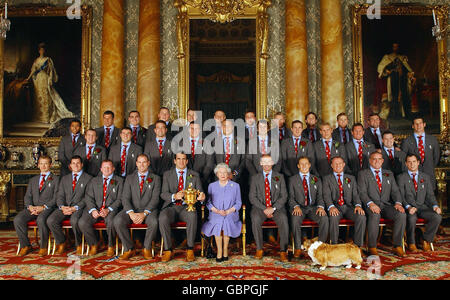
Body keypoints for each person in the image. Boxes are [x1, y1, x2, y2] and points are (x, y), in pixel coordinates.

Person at [159, 152, 206, 262]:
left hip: (187, 207)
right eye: (178, 159)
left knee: (192, 215)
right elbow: (163, 194)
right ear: (174, 161)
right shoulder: (167, 174)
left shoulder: (194, 175)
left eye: (183, 159)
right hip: (172, 207)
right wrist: (174, 196)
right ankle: (168, 249)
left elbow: (200, 192)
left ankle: (190, 249)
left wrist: (202, 196)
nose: (181, 161)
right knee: (163, 217)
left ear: (187, 161)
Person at [358, 151, 407, 257]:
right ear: (370, 161)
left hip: (386, 205)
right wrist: (370, 204)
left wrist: (398, 203)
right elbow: (362, 192)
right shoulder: (363, 173)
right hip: (371, 205)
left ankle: (397, 245)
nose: (377, 161)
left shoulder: (388, 173)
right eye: (374, 159)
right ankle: (372, 246)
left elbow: (395, 191)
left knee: (401, 214)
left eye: (379, 159)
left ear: (382, 161)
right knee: (375, 215)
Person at [114, 154, 161, 260]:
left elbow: (155, 199)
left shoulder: (156, 178)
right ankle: (129, 248)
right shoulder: (129, 178)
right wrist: (131, 213)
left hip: (148, 210)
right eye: (139, 162)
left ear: (148, 163)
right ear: (136, 164)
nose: (142, 165)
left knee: (154, 222)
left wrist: (144, 213)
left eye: (144, 162)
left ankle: (147, 248)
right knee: (117, 221)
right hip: (132, 209)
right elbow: (125, 198)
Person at [14, 155, 60, 256]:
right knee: (18, 219)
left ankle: (43, 246)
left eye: (46, 163)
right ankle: (26, 245)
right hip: (33, 208)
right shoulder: (33, 180)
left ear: (50, 165)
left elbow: (56, 198)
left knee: (41, 219)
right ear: (38, 165)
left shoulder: (56, 179)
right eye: (41, 163)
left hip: (48, 208)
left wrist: (43, 207)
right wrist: (30, 206)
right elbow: (27, 196)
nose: (43, 166)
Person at [47, 156, 92, 255]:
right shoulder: (64, 179)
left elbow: (87, 198)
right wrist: (62, 207)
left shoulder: (88, 178)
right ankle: (62, 241)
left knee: (75, 220)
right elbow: (60, 195)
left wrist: (74, 208)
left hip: (79, 208)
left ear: (82, 165)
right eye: (73, 163)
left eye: (78, 163)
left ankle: (79, 244)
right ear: (70, 166)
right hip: (64, 207)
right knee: (51, 220)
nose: (75, 165)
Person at [397, 154, 442, 252]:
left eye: (414, 162)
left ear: (418, 163)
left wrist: (435, 206)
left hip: (422, 207)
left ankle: (425, 239)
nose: (412, 164)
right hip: (409, 208)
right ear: (406, 164)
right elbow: (400, 196)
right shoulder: (401, 177)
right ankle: (411, 243)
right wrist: (408, 207)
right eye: (409, 162)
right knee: (412, 219)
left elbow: (430, 195)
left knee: (437, 217)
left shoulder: (425, 177)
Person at [79, 160, 123, 256]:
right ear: (101, 169)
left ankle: (111, 246)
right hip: (95, 208)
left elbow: (120, 199)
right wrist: (93, 210)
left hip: (111, 209)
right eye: (104, 167)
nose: (106, 169)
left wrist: (108, 209)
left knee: (111, 221)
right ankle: (94, 244)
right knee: (82, 222)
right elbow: (88, 197)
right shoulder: (94, 181)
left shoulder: (120, 181)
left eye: (109, 167)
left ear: (113, 169)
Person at [249, 155, 289, 262]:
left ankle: (283, 251)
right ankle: (259, 249)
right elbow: (252, 197)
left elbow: (284, 196)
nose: (266, 164)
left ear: (273, 163)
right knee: (255, 218)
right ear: (260, 163)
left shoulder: (280, 177)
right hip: (260, 208)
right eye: (264, 162)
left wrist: (273, 208)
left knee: (284, 220)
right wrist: (264, 208)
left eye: (269, 161)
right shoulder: (255, 178)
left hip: (277, 208)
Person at [288, 156, 328, 258]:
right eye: (301, 164)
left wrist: (320, 207)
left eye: (306, 164)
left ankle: (320, 247)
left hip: (313, 207)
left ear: (310, 165)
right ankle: (297, 248)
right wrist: (295, 206)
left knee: (324, 218)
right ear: (298, 166)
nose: (304, 166)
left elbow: (320, 196)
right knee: (295, 218)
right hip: (299, 207)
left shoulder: (316, 179)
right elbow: (290, 197)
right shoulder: (292, 180)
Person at [322, 157, 366, 251]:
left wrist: (358, 205)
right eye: (335, 164)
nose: (338, 166)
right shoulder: (326, 178)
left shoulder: (351, 178)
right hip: (336, 206)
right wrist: (331, 207)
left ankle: (358, 247)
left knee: (361, 216)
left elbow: (356, 194)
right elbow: (326, 195)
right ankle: (334, 246)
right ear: (331, 165)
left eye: (340, 163)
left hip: (349, 207)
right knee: (333, 217)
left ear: (344, 164)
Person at [25, 42, 75, 124]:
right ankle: (39, 117)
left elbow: (51, 71)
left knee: (46, 97)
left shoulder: (48, 60)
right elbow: (33, 70)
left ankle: (46, 118)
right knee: (38, 98)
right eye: (41, 50)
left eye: (43, 50)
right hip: (37, 80)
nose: (42, 51)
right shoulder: (36, 60)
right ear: (39, 51)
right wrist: (28, 78)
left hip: (45, 79)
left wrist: (50, 79)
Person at [202, 163, 242, 262]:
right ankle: (219, 250)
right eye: (220, 172)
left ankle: (225, 250)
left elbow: (238, 203)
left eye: (225, 172)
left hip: (231, 213)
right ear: (217, 174)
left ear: (228, 174)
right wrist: (217, 211)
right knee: (218, 222)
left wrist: (229, 211)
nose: (223, 174)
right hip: (216, 213)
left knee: (226, 221)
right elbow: (208, 203)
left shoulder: (236, 186)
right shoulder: (212, 186)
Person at [377, 42, 415, 119]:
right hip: (392, 80)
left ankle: (405, 114)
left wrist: (410, 75)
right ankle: (394, 115)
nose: (396, 48)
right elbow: (381, 68)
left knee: (404, 96)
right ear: (392, 48)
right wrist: (386, 71)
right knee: (393, 97)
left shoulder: (402, 57)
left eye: (397, 47)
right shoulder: (388, 57)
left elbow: (407, 69)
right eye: (394, 47)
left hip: (402, 80)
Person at [401, 117, 440, 189]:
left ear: (424, 124)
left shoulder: (433, 139)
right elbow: (403, 160)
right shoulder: (407, 141)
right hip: (413, 178)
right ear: (412, 126)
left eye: (420, 123)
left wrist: (428, 167)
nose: (418, 126)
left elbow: (436, 157)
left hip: (429, 176)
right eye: (416, 124)